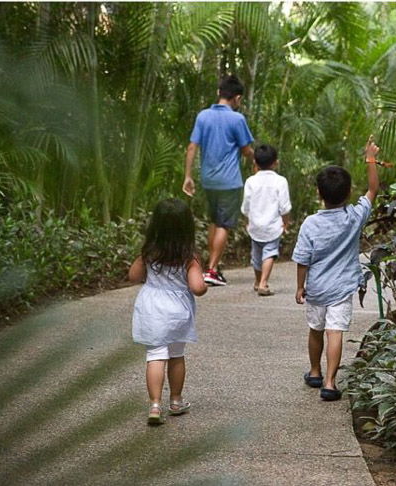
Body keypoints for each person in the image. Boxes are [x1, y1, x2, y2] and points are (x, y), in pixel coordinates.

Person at [292, 137, 380, 401]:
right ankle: (330, 383)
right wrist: (370, 158)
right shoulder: (354, 217)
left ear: (319, 194)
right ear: (349, 192)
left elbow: (302, 259)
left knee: (315, 330)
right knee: (335, 333)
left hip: (317, 289)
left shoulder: (310, 224)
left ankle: (315, 370)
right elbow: (374, 189)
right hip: (341, 290)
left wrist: (300, 286)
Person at [129, 198, 208, 425]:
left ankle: (155, 404)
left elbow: (133, 276)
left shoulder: (149, 253)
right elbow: (196, 287)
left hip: (152, 308)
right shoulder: (189, 257)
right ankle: (175, 400)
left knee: (155, 355)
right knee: (176, 355)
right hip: (177, 312)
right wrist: (204, 286)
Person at [183, 75, 254, 287]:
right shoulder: (237, 119)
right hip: (230, 181)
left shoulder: (203, 116)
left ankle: (211, 266)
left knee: (214, 221)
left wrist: (188, 176)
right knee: (225, 224)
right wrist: (256, 159)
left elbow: (192, 147)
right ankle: (212, 270)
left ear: (219, 93)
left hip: (208, 180)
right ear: (237, 98)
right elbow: (246, 149)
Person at [241, 144, 292, 296]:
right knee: (270, 253)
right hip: (272, 224)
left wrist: (247, 219)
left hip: (255, 224)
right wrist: (285, 221)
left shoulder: (251, 181)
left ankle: (258, 281)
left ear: (255, 163)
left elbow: (246, 205)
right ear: (276, 162)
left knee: (256, 255)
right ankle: (264, 282)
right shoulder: (280, 181)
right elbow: (284, 206)